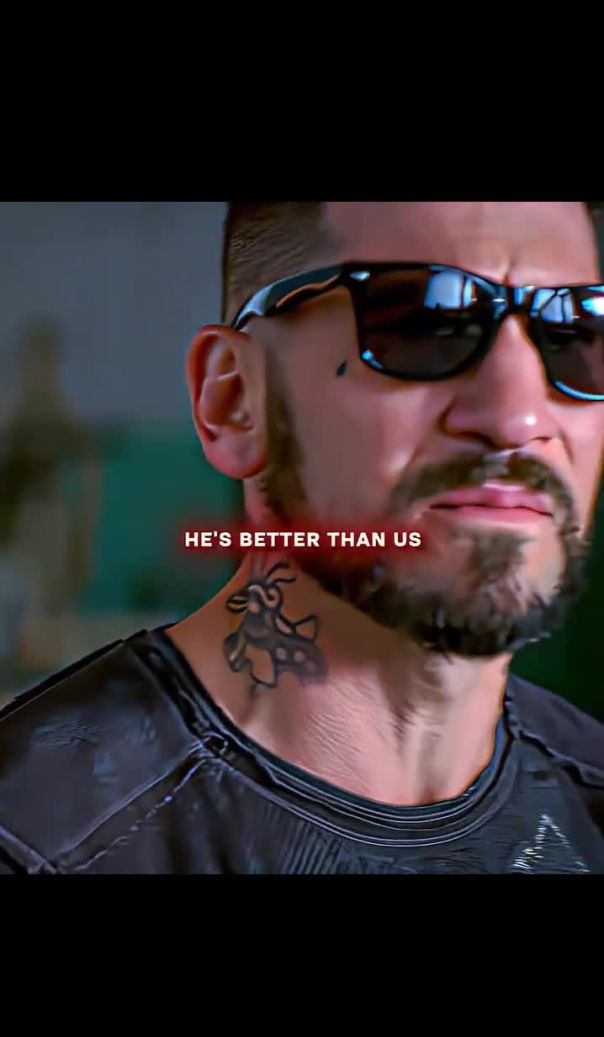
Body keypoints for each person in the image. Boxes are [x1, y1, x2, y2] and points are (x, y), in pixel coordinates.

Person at [1, 201, 603, 875]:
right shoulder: (38, 839)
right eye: (426, 324)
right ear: (235, 401)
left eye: (577, 330)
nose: (519, 418)